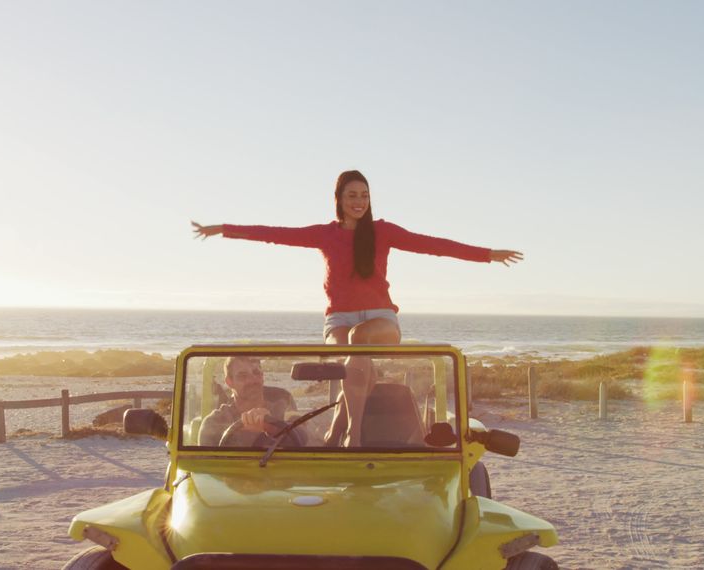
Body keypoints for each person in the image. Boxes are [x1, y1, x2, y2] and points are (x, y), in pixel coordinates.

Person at [192, 170, 522, 446]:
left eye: (364, 195)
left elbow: (432, 245)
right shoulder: (326, 235)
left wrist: (487, 254)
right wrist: (224, 230)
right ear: (340, 199)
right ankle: (340, 424)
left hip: (381, 319)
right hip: (338, 320)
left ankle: (351, 431)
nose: (359, 202)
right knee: (352, 357)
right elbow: (275, 235)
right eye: (352, 195)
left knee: (357, 340)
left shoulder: (384, 231)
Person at [198, 356, 306, 447]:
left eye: (256, 373)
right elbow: (205, 466)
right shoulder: (216, 422)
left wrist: (271, 428)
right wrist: (245, 434)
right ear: (229, 382)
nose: (252, 380)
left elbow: (304, 438)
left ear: (262, 376)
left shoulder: (282, 407)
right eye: (243, 376)